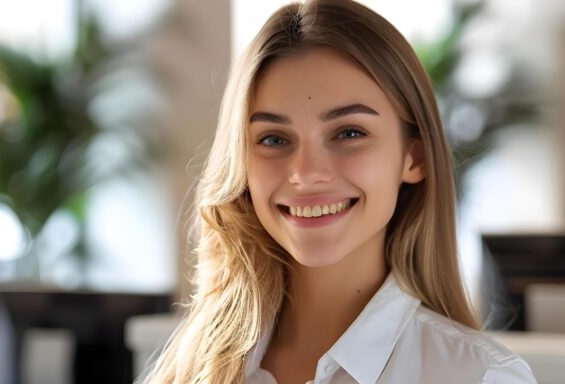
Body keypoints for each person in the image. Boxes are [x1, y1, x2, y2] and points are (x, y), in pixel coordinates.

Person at [141, 0, 537, 383]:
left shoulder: (479, 376)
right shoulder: (190, 369)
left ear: (414, 157)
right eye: (274, 139)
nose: (306, 174)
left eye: (349, 133)